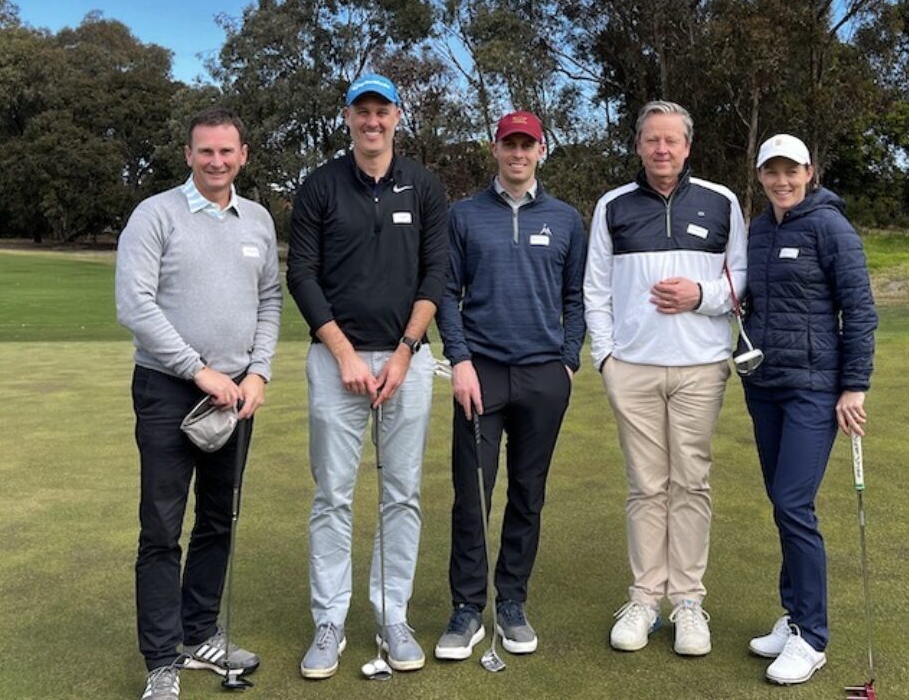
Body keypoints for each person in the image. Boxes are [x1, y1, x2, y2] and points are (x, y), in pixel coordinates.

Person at [287, 73, 449, 679]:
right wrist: (344, 352)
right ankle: (329, 621)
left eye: (382, 110)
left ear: (397, 116)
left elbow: (435, 274)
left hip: (408, 361)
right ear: (349, 117)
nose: (372, 120)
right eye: (363, 111)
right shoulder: (320, 185)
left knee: (401, 494)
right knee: (333, 494)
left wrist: (406, 351)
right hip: (337, 364)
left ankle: (392, 615)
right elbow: (302, 274)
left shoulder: (423, 186)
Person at [116, 108, 282, 700]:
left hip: (236, 394)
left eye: (226, 151)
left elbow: (270, 301)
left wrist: (259, 372)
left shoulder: (257, 220)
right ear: (188, 155)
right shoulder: (155, 214)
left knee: (217, 519)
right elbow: (134, 304)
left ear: (243, 155)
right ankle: (162, 660)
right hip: (168, 388)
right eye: (205, 151)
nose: (216, 161)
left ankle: (200, 631)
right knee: (162, 529)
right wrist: (197, 369)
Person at [584, 100, 746, 657]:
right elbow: (595, 289)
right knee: (646, 485)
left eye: (671, 140)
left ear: (687, 146)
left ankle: (688, 602)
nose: (661, 149)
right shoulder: (613, 206)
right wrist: (606, 358)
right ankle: (645, 598)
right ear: (638, 145)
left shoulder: (721, 202)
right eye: (652, 139)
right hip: (632, 368)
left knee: (691, 483)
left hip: (701, 366)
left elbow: (741, 279)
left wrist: (702, 296)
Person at [433, 111, 587, 661]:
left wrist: (568, 362)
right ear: (495, 149)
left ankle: (512, 601)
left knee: (528, 492)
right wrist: (460, 359)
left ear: (541, 150)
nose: (518, 154)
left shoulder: (566, 219)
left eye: (528, 145)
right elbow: (446, 293)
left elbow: (576, 297)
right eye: (509, 144)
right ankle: (467, 607)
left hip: (544, 373)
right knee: (472, 494)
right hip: (482, 372)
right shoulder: (464, 215)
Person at [739, 133, 876, 686]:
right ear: (760, 176)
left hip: (814, 389)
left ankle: (813, 637)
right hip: (764, 385)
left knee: (794, 503)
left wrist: (854, 387)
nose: (782, 181)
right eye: (772, 172)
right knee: (782, 502)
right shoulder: (757, 229)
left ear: (809, 172)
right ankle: (794, 615)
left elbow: (859, 310)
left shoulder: (830, 227)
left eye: (791, 171)